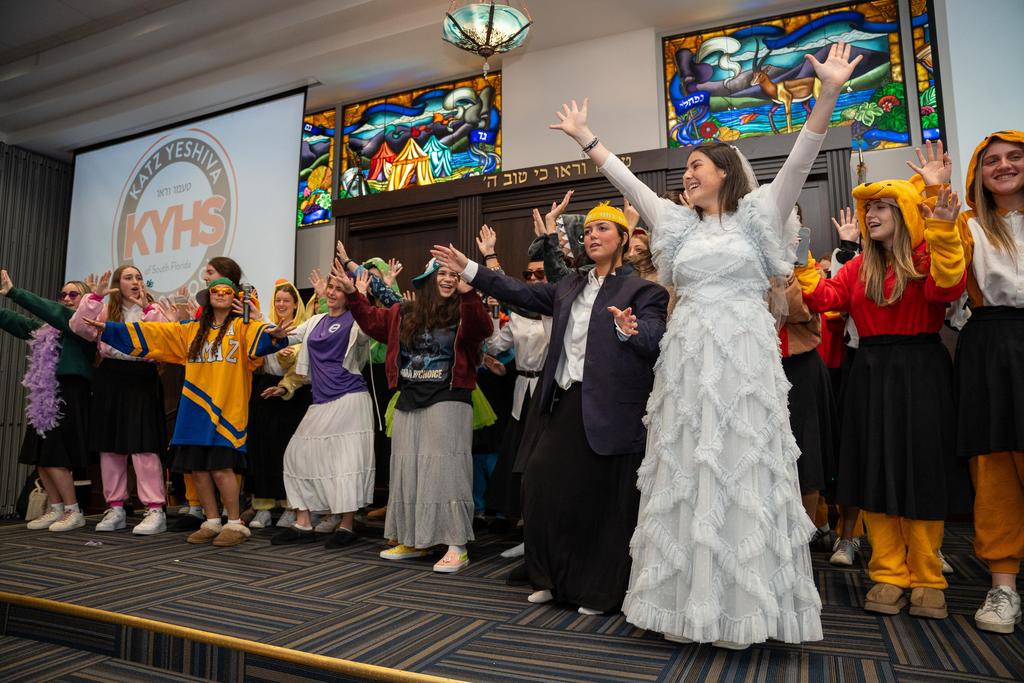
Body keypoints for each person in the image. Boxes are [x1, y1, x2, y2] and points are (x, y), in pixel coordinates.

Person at [544, 42, 863, 647]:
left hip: (743, 359)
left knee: (741, 465)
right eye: (685, 168)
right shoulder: (674, 224)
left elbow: (802, 156)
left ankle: (746, 608)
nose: (687, 175)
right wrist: (587, 139)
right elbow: (628, 182)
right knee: (689, 468)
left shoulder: (761, 215)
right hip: (688, 360)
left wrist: (827, 94)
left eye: (696, 166)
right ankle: (684, 608)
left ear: (724, 172)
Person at [431, 203, 669, 615]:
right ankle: (551, 578)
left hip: (610, 410)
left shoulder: (644, 291)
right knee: (541, 487)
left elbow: (654, 339)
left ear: (623, 238)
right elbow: (516, 291)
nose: (593, 236)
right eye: (588, 230)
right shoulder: (568, 286)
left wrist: (628, 330)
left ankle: (598, 592)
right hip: (563, 401)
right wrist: (469, 267)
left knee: (601, 502)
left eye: (603, 229)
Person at [796, 172, 966, 620]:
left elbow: (948, 288)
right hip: (870, 372)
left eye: (881, 207)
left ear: (905, 214)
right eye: (868, 208)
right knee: (875, 470)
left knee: (923, 472)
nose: (870, 215)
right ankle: (888, 572)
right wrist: (800, 262)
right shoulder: (858, 267)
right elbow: (824, 298)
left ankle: (928, 575)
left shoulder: (927, 257)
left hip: (922, 371)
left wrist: (944, 230)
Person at [83, 276, 294, 547]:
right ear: (208, 298)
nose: (220, 294)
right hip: (194, 410)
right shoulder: (191, 330)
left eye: (227, 291)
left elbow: (264, 340)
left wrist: (273, 334)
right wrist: (110, 329)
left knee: (222, 469)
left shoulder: (243, 327)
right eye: (215, 290)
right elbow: (154, 335)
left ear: (234, 299)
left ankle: (234, 523)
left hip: (227, 411)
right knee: (199, 471)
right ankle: (211, 521)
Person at [344, 256, 492, 573]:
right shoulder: (404, 312)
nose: (449, 279)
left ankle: (456, 544)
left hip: (449, 397)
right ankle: (415, 539)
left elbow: (483, 328)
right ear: (428, 278)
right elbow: (371, 321)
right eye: (442, 273)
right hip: (409, 397)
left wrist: (470, 294)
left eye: (454, 274)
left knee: (446, 471)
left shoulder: (464, 310)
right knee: (407, 470)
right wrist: (355, 296)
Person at [954, 130, 1024, 634]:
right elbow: (945, 283)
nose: (1003, 166)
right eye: (992, 160)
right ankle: (1003, 587)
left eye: (1014, 157)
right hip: (989, 345)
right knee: (994, 465)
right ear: (979, 172)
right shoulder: (968, 225)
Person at [270, 269, 374, 548]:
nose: (332, 292)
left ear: (349, 294)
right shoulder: (316, 320)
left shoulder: (356, 320)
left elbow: (370, 328)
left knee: (346, 463)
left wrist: (362, 296)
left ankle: (346, 526)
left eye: (339, 288)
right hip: (321, 399)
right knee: (297, 455)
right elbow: (287, 336)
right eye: (330, 287)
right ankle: (303, 523)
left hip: (350, 398)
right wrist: (267, 326)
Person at [69, 266, 169, 534]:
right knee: (110, 444)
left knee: (143, 443)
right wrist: (94, 298)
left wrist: (147, 308)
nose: (136, 282)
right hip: (110, 376)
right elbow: (79, 328)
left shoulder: (154, 309)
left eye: (139, 277)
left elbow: (164, 339)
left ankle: (154, 508)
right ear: (117, 284)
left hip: (142, 376)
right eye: (129, 278)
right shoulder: (104, 310)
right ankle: (115, 507)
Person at [1, 272, 93, 532]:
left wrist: (14, 292)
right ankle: (56, 508)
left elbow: (56, 313)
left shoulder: (84, 325)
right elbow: (20, 323)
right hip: (45, 395)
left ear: (86, 300)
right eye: (63, 294)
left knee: (56, 455)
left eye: (73, 294)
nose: (66, 299)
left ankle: (73, 510)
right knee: (40, 457)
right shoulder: (50, 329)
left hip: (69, 394)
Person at [244, 279, 312, 529]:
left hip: (293, 395)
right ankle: (263, 507)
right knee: (262, 450)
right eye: (278, 300)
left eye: (286, 300)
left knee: (287, 453)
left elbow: (303, 368)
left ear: (295, 304)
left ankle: (289, 507)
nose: (281, 304)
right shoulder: (265, 327)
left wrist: (288, 358)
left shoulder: (303, 329)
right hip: (264, 389)